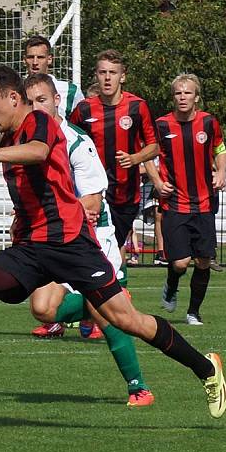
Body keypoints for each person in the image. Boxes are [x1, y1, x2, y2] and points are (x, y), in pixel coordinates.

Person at [0, 66, 226, 419]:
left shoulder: (39, 122)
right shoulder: (7, 137)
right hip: (32, 248)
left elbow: (39, 151)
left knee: (127, 320)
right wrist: (18, 222)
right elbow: (32, 190)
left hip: (71, 244)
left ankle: (206, 368)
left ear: (14, 98)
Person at [25, 73, 154, 406]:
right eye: (31, 102)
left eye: (43, 100)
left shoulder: (76, 141)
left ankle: (138, 387)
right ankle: (96, 303)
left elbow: (92, 206)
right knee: (42, 308)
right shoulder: (27, 144)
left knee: (110, 315)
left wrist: (47, 215)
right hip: (56, 237)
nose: (37, 108)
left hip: (91, 240)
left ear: (57, 102)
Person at [68, 50, 158, 286]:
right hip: (93, 193)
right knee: (94, 250)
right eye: (103, 72)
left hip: (125, 194)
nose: (107, 78)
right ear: (96, 76)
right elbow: (68, 143)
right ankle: (95, 313)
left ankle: (113, 307)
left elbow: (154, 146)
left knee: (114, 251)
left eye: (113, 73)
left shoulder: (137, 107)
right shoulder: (84, 110)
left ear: (123, 76)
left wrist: (136, 157)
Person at [148, 74, 226, 325]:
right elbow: (147, 156)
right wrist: (158, 182)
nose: (182, 97)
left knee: (203, 260)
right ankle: (171, 286)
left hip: (204, 203)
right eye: (178, 93)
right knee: (181, 263)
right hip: (175, 203)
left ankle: (193, 312)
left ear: (196, 97)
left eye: (187, 93)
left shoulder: (208, 122)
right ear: (173, 97)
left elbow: (220, 149)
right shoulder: (161, 125)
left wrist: (222, 172)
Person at [23, 35, 84, 118]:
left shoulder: (70, 91)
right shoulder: (17, 91)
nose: (35, 62)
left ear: (49, 59)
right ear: (24, 59)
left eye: (40, 57)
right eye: (31, 57)